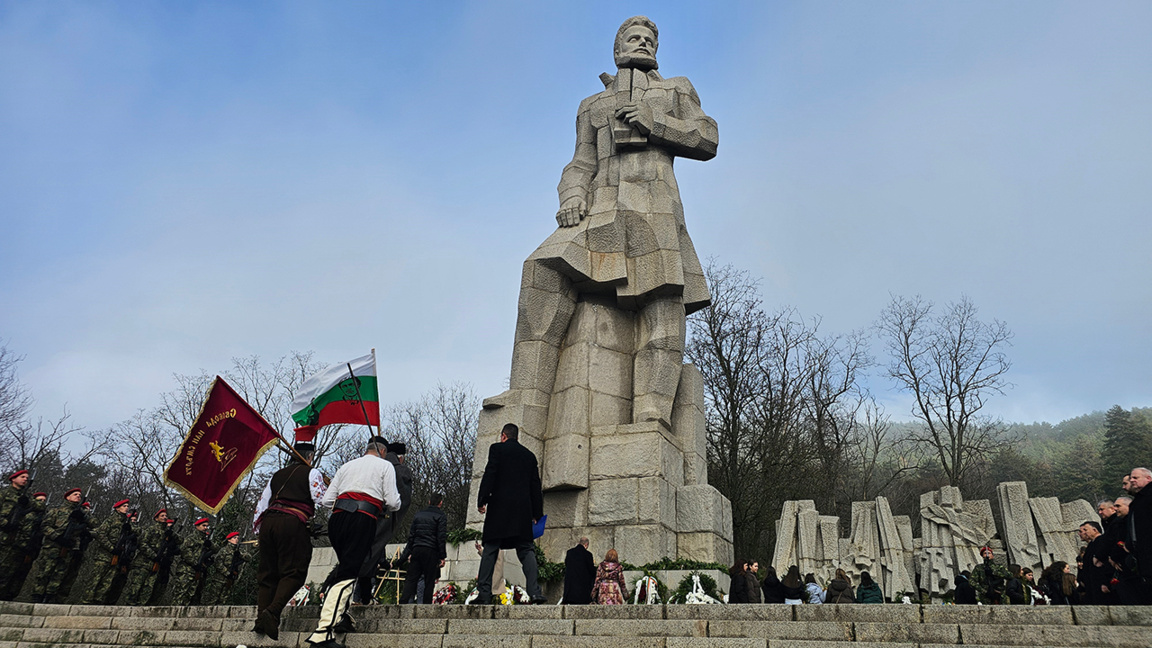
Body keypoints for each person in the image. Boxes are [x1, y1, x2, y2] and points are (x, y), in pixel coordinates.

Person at [487, 15, 719, 436]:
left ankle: (652, 413)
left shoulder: (675, 88)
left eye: (650, 40)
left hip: (654, 209)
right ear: (617, 49)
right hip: (602, 211)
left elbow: (708, 137)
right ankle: (526, 391)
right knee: (542, 266)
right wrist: (571, 195)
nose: (643, 43)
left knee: (661, 305)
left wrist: (656, 123)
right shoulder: (592, 105)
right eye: (635, 37)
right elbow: (579, 162)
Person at [305, 438, 400, 648]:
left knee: (346, 569)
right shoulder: (385, 466)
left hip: (338, 519)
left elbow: (327, 501)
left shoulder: (346, 466)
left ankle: (340, 617)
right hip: (363, 517)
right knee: (348, 574)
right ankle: (322, 633)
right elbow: (393, 502)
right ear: (383, 451)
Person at [253, 443, 326, 641]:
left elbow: (262, 504)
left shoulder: (276, 475)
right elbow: (322, 499)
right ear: (309, 456)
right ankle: (273, 612)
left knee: (267, 573)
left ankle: (261, 620)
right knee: (295, 571)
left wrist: (258, 531)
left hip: (268, 523)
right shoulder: (311, 472)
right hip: (292, 522)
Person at [474, 423, 545, 605]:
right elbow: (535, 487)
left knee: (490, 548)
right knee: (526, 550)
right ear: (517, 437)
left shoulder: (497, 449)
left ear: (503, 436)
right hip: (522, 510)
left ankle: (484, 593)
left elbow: (490, 474)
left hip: (499, 508)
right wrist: (537, 512)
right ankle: (535, 592)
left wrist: (482, 500)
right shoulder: (529, 456)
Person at [356, 437, 413, 604]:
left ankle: (359, 595)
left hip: (359, 514)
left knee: (362, 554)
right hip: (382, 517)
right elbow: (402, 499)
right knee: (369, 556)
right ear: (400, 457)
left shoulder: (367, 467)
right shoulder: (399, 470)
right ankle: (360, 596)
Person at [30, 487, 92, 602]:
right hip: (52, 547)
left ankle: (50, 598)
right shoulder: (56, 511)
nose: (78, 496)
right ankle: (37, 597)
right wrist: (56, 537)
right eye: (75, 494)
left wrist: (84, 517)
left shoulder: (81, 514)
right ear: (67, 497)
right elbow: (45, 526)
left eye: (79, 494)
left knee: (59, 575)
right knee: (44, 573)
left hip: (67, 548)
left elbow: (94, 526)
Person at [81, 498, 135, 604]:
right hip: (104, 555)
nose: (126, 508)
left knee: (107, 581)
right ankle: (86, 601)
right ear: (117, 508)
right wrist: (111, 548)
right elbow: (100, 534)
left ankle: (98, 601)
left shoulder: (127, 523)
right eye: (124, 506)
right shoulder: (110, 520)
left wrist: (130, 529)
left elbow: (138, 533)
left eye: (127, 506)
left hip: (116, 557)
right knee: (95, 579)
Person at [0, 477, 44, 601]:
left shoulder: (27, 497)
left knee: (9, 571)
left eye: (26, 477)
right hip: (3, 534)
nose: (25, 479)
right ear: (13, 479)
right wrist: (5, 523)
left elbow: (40, 507)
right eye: (22, 477)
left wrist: (28, 502)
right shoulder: (4, 494)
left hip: (17, 540)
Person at [399, 492, 447, 604]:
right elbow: (441, 537)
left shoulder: (418, 515)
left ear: (429, 502)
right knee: (429, 580)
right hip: (431, 550)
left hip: (417, 548)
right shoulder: (441, 516)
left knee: (411, 578)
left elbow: (411, 537)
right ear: (440, 503)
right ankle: (426, 605)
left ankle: (403, 601)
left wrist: (403, 557)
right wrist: (442, 556)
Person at [123, 508, 171, 605]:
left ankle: (141, 607)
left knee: (147, 589)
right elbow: (142, 544)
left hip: (155, 565)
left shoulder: (167, 533)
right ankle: (129, 606)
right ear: (156, 518)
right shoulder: (151, 529)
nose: (165, 518)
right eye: (162, 516)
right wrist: (154, 556)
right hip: (143, 563)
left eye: (166, 516)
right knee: (135, 587)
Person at [1123, 466, 1152, 603]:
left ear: (1149, 478)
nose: (1132, 480)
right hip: (1141, 554)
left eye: (1135, 477)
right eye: (1131, 478)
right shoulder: (1137, 501)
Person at [170, 517, 214, 605]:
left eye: (207, 526)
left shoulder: (205, 540)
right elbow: (185, 552)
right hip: (186, 570)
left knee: (189, 596)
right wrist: (195, 563)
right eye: (203, 525)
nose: (205, 528)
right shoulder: (191, 538)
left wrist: (210, 545)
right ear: (197, 526)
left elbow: (216, 549)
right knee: (180, 595)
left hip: (196, 571)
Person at [202, 531, 251, 605]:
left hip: (230, 579)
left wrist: (240, 554)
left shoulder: (238, 551)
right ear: (229, 540)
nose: (236, 540)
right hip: (219, 579)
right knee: (212, 599)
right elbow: (218, 563)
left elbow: (249, 558)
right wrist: (227, 573)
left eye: (237, 538)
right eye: (234, 538)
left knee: (223, 600)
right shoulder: (224, 550)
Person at [1078, 520, 1111, 604]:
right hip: (1093, 584)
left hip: (1100, 583)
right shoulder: (1092, 544)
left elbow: (1104, 563)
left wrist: (1105, 582)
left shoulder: (1101, 541)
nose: (1084, 533)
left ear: (1095, 530)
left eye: (1086, 530)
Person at [563, 536, 596, 604]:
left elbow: (566, 564)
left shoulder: (570, 552)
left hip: (570, 589)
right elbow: (591, 570)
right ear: (586, 545)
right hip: (582, 590)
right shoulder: (588, 555)